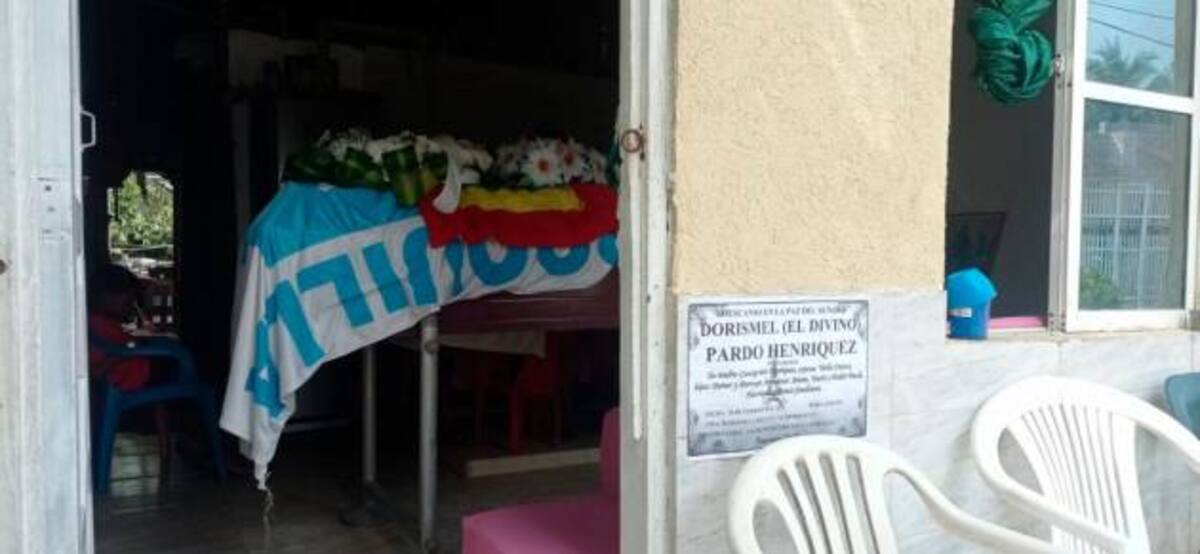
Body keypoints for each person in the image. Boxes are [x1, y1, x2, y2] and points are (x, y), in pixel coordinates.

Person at [88, 263, 152, 391]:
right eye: (127, 303)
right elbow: (125, 345)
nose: (130, 308)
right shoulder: (101, 324)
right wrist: (134, 343)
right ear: (107, 297)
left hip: (125, 373)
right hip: (129, 379)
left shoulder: (97, 320)